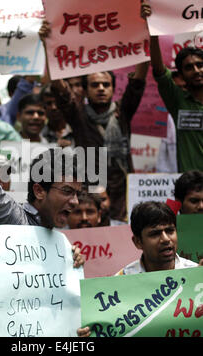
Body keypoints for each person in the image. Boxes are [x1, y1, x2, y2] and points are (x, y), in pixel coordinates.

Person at [0, 61, 84, 268]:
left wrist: (70, 259)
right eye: (67, 191)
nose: (75, 203)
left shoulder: (58, 238)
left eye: (76, 194)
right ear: (39, 190)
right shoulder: (14, 219)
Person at [39, 20, 150, 222]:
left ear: (112, 88)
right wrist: (47, 44)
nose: (100, 88)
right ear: (86, 90)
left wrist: (147, 33)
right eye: (95, 84)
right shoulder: (78, 113)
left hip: (122, 194)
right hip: (87, 197)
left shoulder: (122, 111)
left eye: (105, 84)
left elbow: (138, 80)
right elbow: (58, 85)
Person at [78, 201, 203, 337]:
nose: (166, 239)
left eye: (170, 231)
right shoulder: (120, 282)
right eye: (155, 234)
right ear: (137, 242)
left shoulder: (197, 276)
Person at [142, 2, 203, 172]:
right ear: (181, 76)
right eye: (189, 67)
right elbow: (159, 70)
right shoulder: (178, 101)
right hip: (192, 188)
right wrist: (153, 30)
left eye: (200, 65)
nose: (196, 70)